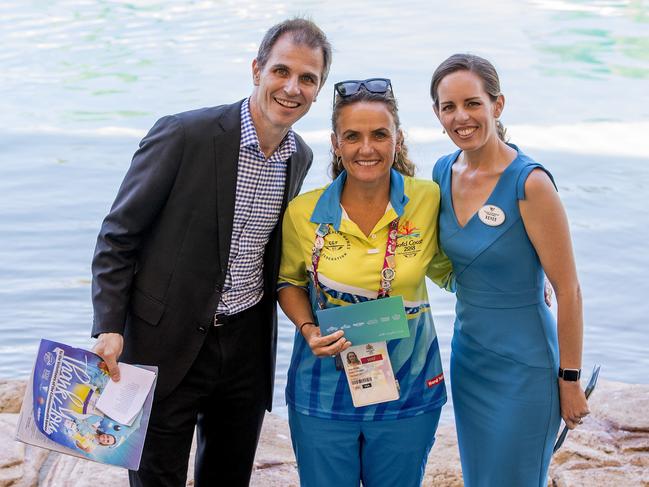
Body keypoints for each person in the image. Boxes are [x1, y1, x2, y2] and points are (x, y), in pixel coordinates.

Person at [90, 18, 331, 487]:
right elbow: (118, 237)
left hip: (245, 350)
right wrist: (108, 327)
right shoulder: (184, 135)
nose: (292, 88)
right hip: (165, 344)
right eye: (281, 71)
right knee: (156, 478)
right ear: (257, 69)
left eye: (308, 79)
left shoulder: (298, 157)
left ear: (317, 90)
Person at [277, 79, 453, 487]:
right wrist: (307, 329)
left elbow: (456, 266)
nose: (367, 148)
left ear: (398, 138)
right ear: (336, 143)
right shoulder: (304, 211)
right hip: (320, 386)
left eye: (379, 134)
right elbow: (287, 281)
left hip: (411, 386)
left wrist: (526, 273)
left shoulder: (428, 199)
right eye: (352, 136)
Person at [430, 53, 590, 486]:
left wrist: (570, 379)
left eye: (473, 103)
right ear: (437, 114)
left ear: (497, 106)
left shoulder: (530, 184)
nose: (461, 117)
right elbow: (434, 258)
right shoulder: (442, 173)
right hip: (468, 357)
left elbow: (569, 289)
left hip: (526, 365)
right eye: (449, 107)